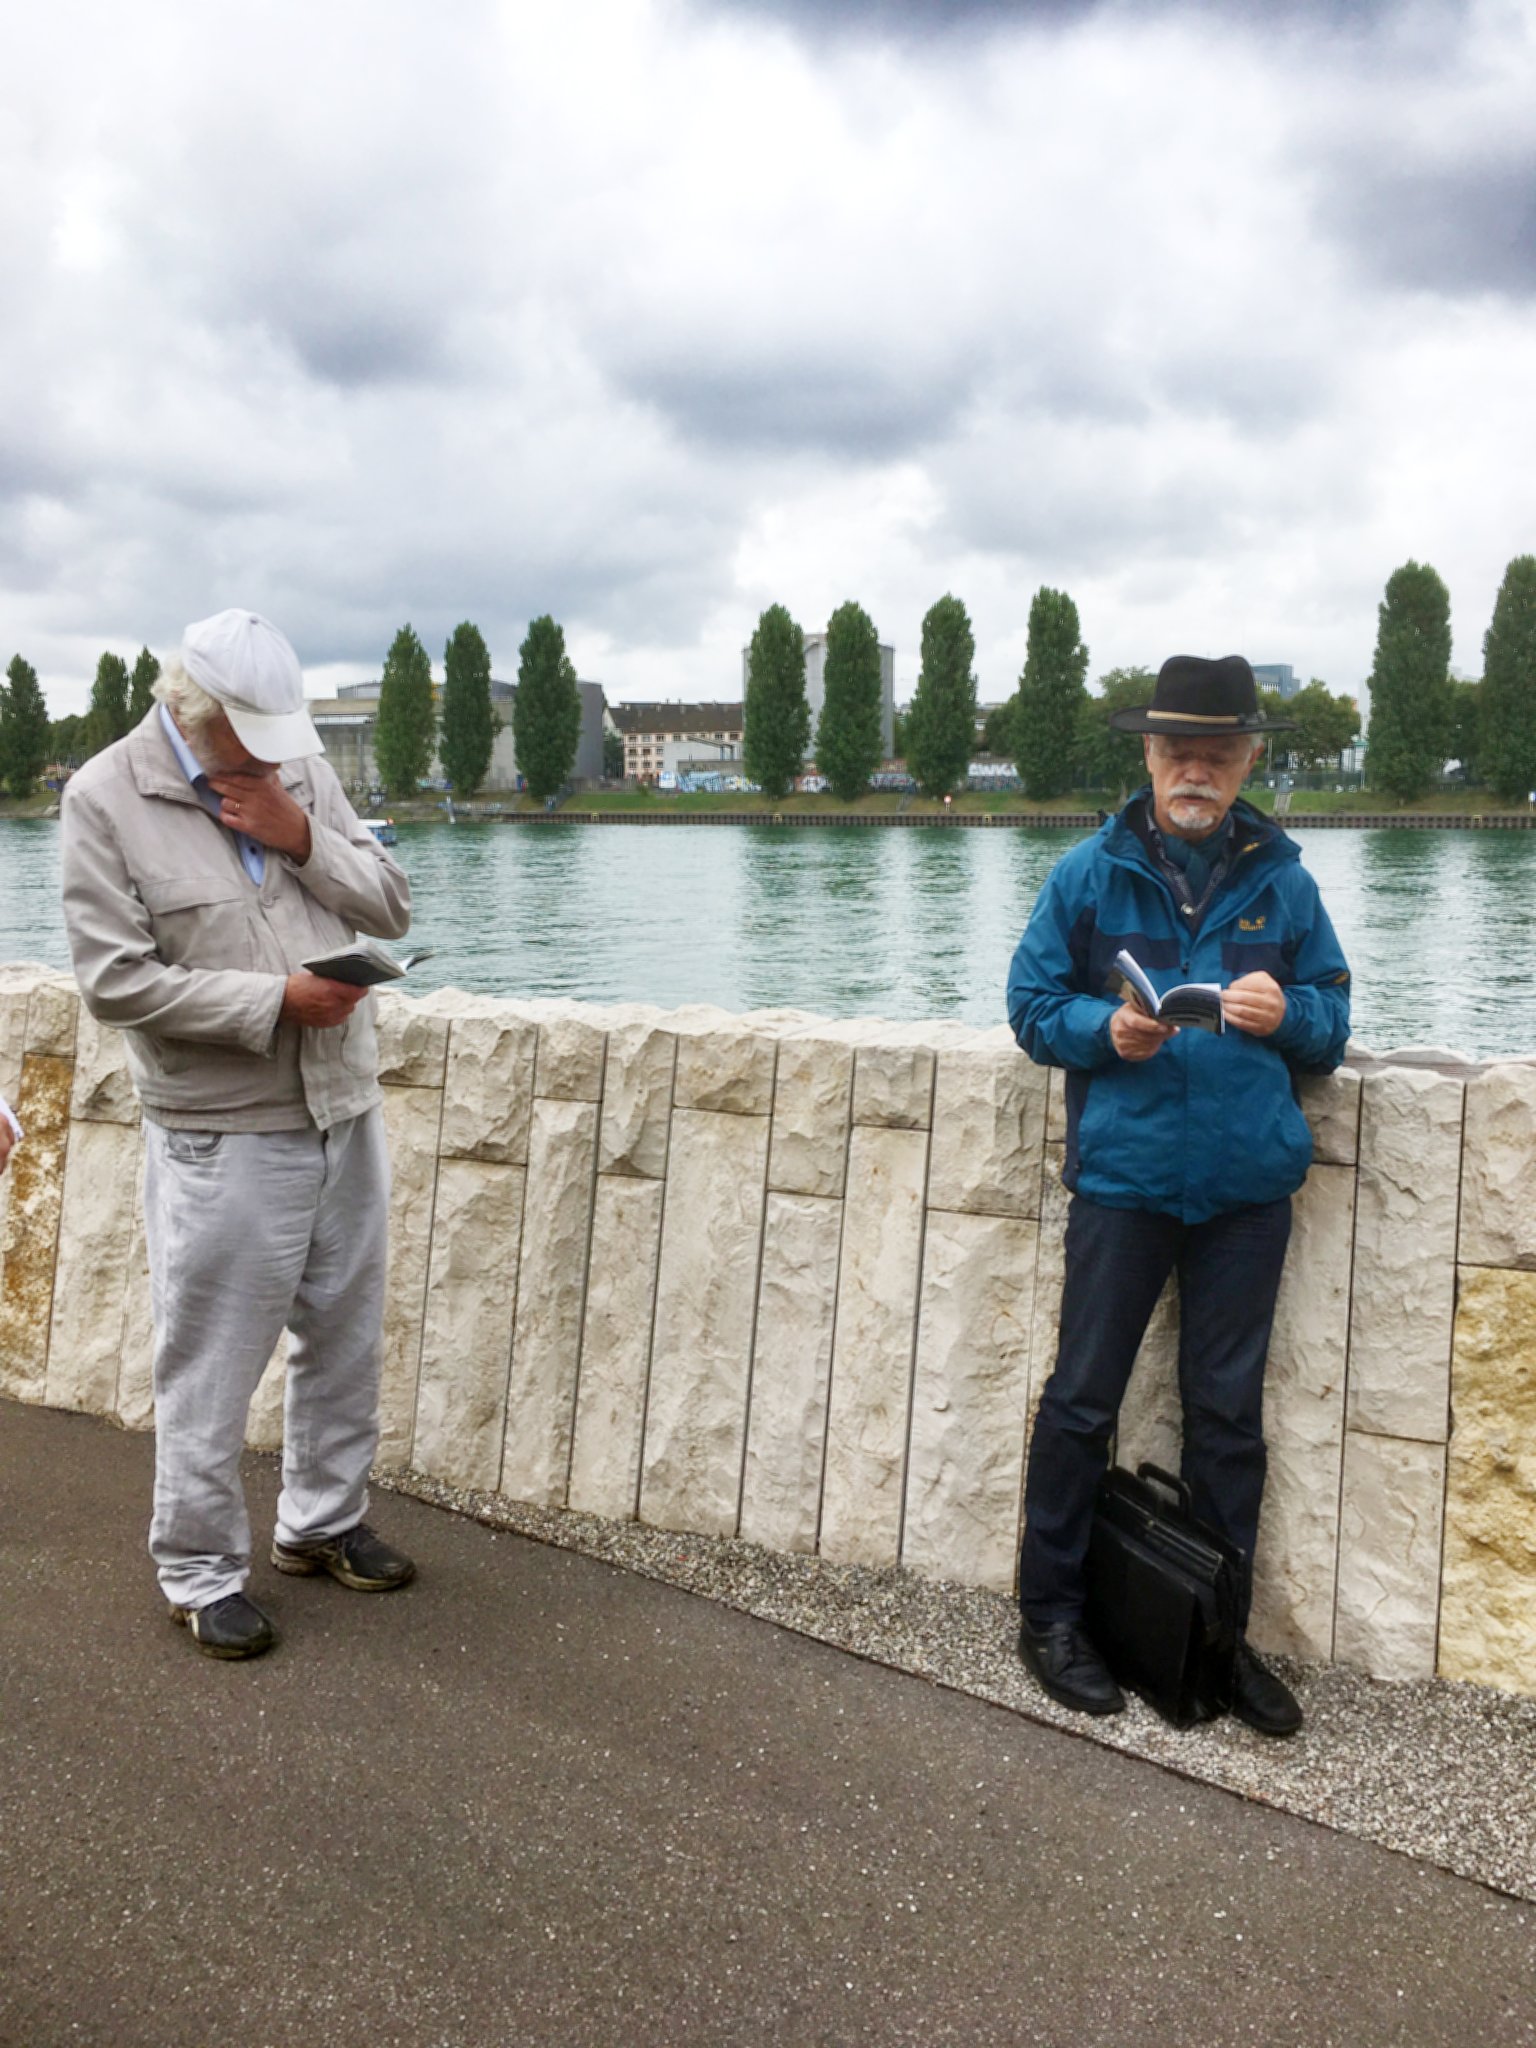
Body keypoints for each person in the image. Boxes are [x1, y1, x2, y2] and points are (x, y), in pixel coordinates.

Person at [61, 608, 417, 1661]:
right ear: (193, 710)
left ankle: (323, 1521)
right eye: (252, 729)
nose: (274, 749)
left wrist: (299, 833)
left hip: (342, 1101)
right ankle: (200, 1568)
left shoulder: (299, 774)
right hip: (224, 1127)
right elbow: (115, 981)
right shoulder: (102, 798)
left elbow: (390, 903)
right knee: (211, 1361)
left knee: (344, 1335)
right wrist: (273, 1002)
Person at [1007, 654, 1350, 1737]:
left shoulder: (1286, 883)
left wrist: (1283, 1010)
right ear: (1148, 757)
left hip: (1246, 1191)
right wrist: (1099, 1031)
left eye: (1217, 751)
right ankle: (1052, 1613)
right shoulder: (1088, 874)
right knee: (1081, 1399)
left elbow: (1333, 1023)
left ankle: (1216, 1636)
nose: (1194, 767)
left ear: (1250, 760)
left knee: (1227, 1422)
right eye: (1176, 749)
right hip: (1125, 1179)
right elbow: (1027, 1006)